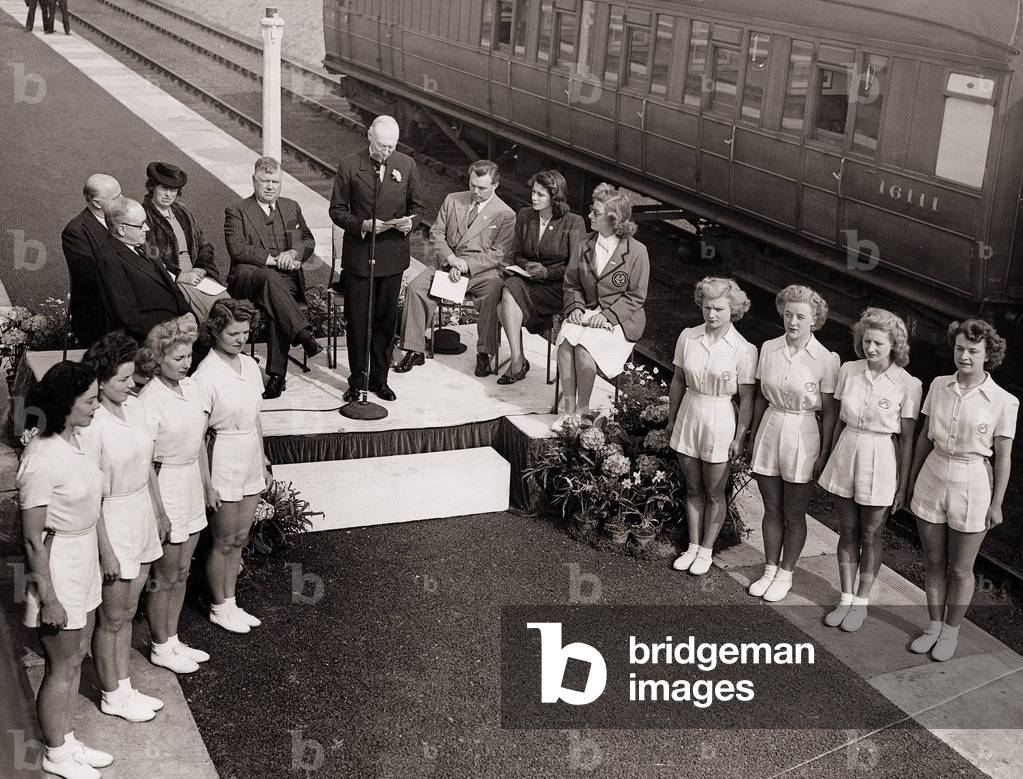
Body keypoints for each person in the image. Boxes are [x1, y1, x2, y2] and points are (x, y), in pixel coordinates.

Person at [17, 361, 114, 778]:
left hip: (83, 556)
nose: (97, 407)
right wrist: (49, 597)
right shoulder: (40, 458)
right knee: (62, 663)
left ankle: (67, 739)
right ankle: (55, 754)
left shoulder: (76, 441)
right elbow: (31, 539)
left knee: (76, 658)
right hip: (57, 566)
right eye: (90, 401)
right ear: (64, 406)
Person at [905, 320, 1017, 661]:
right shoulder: (939, 385)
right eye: (959, 349)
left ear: (988, 355)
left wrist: (997, 503)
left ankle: (952, 632)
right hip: (933, 474)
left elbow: (1003, 457)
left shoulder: (1003, 400)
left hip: (973, 483)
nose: (964, 356)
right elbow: (925, 436)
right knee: (933, 560)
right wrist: (910, 481)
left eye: (973, 351)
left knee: (960, 568)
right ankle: (933, 627)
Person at [80, 333, 169, 722]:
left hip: (141, 513)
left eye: (133, 377)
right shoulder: (90, 424)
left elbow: (148, 464)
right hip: (111, 519)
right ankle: (111, 694)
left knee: (130, 611)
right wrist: (106, 550)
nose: (132, 385)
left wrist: (160, 511)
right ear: (100, 380)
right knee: (112, 617)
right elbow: (91, 497)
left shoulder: (133, 409)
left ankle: (125, 685)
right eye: (123, 379)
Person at [817, 308, 922, 629]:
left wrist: (902, 486)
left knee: (871, 533)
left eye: (878, 343)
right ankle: (846, 598)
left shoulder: (909, 383)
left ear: (894, 346)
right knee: (847, 530)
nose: (871, 348)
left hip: (881, 458)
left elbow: (906, 439)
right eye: (866, 342)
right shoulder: (849, 370)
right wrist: (828, 456)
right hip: (848, 451)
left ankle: (861, 603)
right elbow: (837, 422)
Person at [746, 286, 840, 602]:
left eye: (800, 316)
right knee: (771, 508)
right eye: (788, 315)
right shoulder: (769, 348)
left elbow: (829, 413)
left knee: (794, 513)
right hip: (771, 429)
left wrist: (824, 453)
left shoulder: (826, 360)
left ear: (815, 320)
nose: (793, 322)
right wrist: (751, 436)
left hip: (804, 435)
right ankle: (770, 568)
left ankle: (786, 572)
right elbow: (760, 397)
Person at [329, 115, 425, 402]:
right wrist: (362, 225)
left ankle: (380, 379)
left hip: (392, 257)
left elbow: (418, 207)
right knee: (358, 321)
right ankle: (357, 379)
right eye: (382, 145)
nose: (387, 152)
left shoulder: (406, 165)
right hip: (360, 258)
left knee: (385, 321)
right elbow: (336, 210)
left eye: (392, 146)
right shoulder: (349, 165)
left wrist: (411, 223)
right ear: (369, 135)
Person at [137, 315, 213, 673]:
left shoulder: (193, 389)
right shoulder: (149, 399)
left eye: (189, 357)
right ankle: (159, 645)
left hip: (191, 482)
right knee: (165, 573)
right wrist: (159, 511)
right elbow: (146, 463)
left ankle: (172, 637)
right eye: (177, 358)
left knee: (182, 570)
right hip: (164, 484)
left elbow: (198, 441)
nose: (185, 364)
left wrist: (207, 484)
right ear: (157, 358)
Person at [393, 159, 515, 382]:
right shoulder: (453, 200)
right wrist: (450, 258)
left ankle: (484, 353)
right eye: (472, 185)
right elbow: (437, 233)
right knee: (416, 288)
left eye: (482, 188)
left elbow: (499, 254)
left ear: (495, 186)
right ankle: (414, 349)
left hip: (480, 274)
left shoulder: (506, 214)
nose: (475, 191)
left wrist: (466, 265)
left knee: (494, 291)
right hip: (447, 266)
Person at [668, 277, 757, 576]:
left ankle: (706, 550)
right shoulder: (688, 336)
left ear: (733, 309)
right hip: (690, 413)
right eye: (707, 307)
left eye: (719, 308)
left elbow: (746, 399)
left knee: (715, 491)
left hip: (720, 418)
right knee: (692, 487)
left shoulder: (744, 349)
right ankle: (692, 546)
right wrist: (671, 419)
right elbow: (678, 381)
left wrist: (740, 437)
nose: (712, 314)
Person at [194, 299, 271, 634]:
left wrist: (265, 460)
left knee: (240, 537)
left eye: (245, 331)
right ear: (215, 333)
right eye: (233, 333)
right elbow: (197, 436)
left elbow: (256, 418)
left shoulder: (251, 366)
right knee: (223, 540)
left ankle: (231, 601)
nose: (241, 339)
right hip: (222, 454)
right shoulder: (204, 375)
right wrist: (208, 484)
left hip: (250, 454)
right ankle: (218, 606)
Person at [553, 186, 649, 431]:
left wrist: (607, 316)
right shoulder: (583, 243)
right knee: (565, 342)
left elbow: (636, 297)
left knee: (585, 348)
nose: (590, 216)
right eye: (591, 211)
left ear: (613, 219)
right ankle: (569, 410)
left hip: (621, 318)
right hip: (588, 311)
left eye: (596, 213)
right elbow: (571, 283)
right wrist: (574, 307)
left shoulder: (637, 251)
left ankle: (583, 411)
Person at [224, 157, 321, 400]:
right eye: (264, 181)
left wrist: (294, 252)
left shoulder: (291, 207)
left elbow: (307, 240)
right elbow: (238, 249)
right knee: (270, 280)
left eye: (275, 181)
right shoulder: (237, 210)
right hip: (249, 279)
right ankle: (304, 336)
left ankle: (276, 376)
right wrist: (275, 259)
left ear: (281, 183)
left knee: (279, 303)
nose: (270, 186)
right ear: (253, 181)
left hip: (285, 280)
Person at [484, 169, 585, 384]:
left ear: (554, 197)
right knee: (508, 287)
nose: (533, 198)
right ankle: (518, 359)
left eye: (540, 194)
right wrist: (526, 265)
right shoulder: (525, 215)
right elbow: (517, 254)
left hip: (558, 287)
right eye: (533, 192)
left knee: (504, 305)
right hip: (528, 280)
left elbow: (574, 268)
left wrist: (547, 272)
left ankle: (518, 362)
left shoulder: (573, 222)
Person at [95, 197, 193, 342]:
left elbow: (172, 287)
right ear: (122, 230)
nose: (147, 228)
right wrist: (176, 328)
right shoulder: (109, 259)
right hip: (153, 339)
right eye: (141, 225)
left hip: (177, 327)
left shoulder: (144, 245)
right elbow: (129, 318)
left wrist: (189, 315)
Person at [142, 161, 228, 322]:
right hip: (172, 280)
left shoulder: (183, 211)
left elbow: (203, 245)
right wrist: (180, 276)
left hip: (198, 276)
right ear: (152, 187)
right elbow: (149, 256)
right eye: (164, 188)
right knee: (213, 314)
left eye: (173, 189)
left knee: (227, 306)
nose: (169, 194)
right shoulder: (145, 216)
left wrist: (201, 268)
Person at [62, 174, 122, 346]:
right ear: (97, 203)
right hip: (99, 315)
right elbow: (92, 277)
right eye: (117, 197)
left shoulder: (122, 217)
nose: (123, 199)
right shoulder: (75, 232)